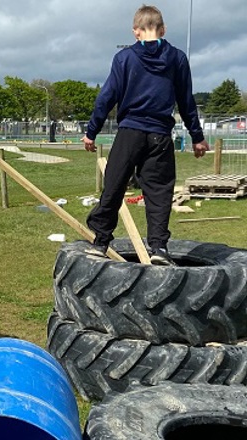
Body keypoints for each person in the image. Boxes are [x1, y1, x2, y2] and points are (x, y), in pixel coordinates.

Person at [82, 4, 209, 266]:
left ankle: (101, 241)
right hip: (160, 136)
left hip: (130, 132)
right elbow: (186, 101)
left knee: (115, 185)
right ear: (162, 30)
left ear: (135, 32)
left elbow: (107, 97)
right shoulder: (177, 58)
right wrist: (197, 137)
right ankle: (159, 248)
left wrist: (91, 132)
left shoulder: (124, 58)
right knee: (159, 192)